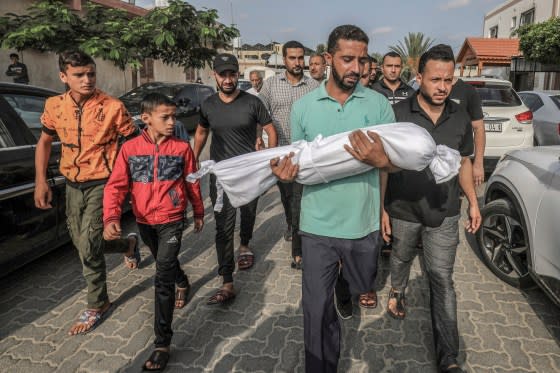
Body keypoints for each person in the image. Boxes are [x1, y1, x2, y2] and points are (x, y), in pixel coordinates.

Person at [271, 25, 395, 372]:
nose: (356, 68)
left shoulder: (379, 104)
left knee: (362, 283)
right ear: (328, 59)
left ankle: (348, 288)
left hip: (362, 223)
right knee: (314, 310)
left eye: (361, 60)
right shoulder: (304, 109)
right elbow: (298, 163)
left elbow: (392, 164)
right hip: (317, 226)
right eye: (347, 59)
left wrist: (381, 168)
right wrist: (286, 173)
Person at [382, 45, 481, 373]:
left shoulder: (460, 117)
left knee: (442, 279)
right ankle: (397, 289)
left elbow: (465, 162)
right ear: (419, 77)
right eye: (436, 79)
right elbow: (384, 165)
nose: (442, 86)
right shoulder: (398, 115)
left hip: (445, 212)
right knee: (401, 257)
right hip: (403, 209)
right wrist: (381, 209)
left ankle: (448, 357)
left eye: (449, 80)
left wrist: (473, 202)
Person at [34, 50, 139, 335]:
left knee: (89, 246)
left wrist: (131, 183)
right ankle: (128, 246)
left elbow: (134, 144)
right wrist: (40, 181)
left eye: (91, 73)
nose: (87, 79)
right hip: (71, 183)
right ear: (63, 77)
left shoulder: (113, 106)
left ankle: (98, 302)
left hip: (104, 183)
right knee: (82, 243)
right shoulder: (54, 106)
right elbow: (44, 142)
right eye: (79, 75)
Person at [103, 92, 204, 371]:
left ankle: (162, 342)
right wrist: (112, 217)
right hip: (145, 221)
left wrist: (198, 212)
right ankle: (182, 280)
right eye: (165, 117)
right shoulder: (130, 149)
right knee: (165, 262)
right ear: (146, 119)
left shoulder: (182, 148)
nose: (173, 122)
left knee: (162, 277)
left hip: (172, 220)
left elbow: (193, 182)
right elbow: (116, 186)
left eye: (174, 116)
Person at [193, 53, 277, 305]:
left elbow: (271, 130)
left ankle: (245, 246)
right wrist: (193, 159)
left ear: (236, 74)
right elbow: (200, 132)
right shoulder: (208, 105)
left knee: (249, 213)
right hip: (221, 175)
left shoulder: (253, 102)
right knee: (222, 227)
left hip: (249, 171)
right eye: (223, 74)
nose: (228, 79)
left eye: (231, 74)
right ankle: (227, 281)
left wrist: (270, 159)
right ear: (214, 75)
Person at [259, 40, 319, 270]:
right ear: (284, 60)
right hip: (281, 154)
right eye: (292, 58)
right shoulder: (271, 85)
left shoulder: (313, 86)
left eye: (300, 58)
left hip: (307, 155)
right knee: (287, 199)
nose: (297, 62)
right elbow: (258, 112)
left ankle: (298, 250)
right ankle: (291, 224)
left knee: (300, 201)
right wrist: (258, 136)